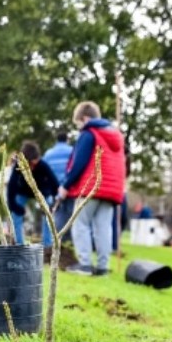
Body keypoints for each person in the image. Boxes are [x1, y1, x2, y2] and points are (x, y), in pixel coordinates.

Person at [58, 101, 126, 276]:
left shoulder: (89, 134)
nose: (79, 127)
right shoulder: (115, 135)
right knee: (103, 227)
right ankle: (103, 267)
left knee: (80, 224)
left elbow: (78, 162)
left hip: (92, 187)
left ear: (85, 118)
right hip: (112, 190)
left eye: (78, 123)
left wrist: (66, 185)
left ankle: (85, 265)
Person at [6, 140, 60, 246]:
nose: (34, 164)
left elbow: (54, 183)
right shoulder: (19, 166)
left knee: (49, 213)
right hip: (23, 191)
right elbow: (11, 187)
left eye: (36, 161)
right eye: (31, 162)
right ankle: (19, 244)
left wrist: (54, 202)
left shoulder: (43, 165)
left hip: (42, 191)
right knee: (16, 213)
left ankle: (47, 245)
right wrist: (13, 206)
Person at [42, 130, 74, 242]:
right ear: (67, 139)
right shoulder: (72, 151)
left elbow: (43, 172)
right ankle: (69, 243)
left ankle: (58, 241)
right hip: (69, 189)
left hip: (54, 190)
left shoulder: (48, 153)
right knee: (72, 216)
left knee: (56, 216)